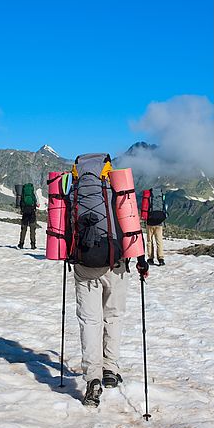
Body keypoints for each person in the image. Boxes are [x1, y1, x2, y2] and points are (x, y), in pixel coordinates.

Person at [67, 153, 149, 407]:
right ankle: (110, 371)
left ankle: (93, 378)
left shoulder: (75, 190)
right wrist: (141, 260)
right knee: (112, 317)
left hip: (84, 265)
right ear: (107, 167)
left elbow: (66, 226)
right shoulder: (117, 186)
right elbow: (131, 225)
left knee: (90, 321)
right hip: (117, 264)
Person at [144, 187, 167, 266]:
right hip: (159, 222)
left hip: (150, 222)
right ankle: (161, 259)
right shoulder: (161, 194)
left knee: (149, 241)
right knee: (159, 241)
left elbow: (145, 208)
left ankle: (150, 258)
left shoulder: (149, 195)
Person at [18, 182, 39, 249]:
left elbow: (20, 202)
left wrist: (22, 209)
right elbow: (36, 201)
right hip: (32, 212)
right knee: (32, 229)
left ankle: (21, 244)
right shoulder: (33, 193)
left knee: (23, 229)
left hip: (25, 212)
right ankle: (33, 245)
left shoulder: (23, 193)